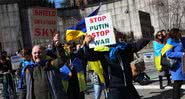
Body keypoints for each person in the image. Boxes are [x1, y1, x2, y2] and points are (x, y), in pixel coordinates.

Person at [83, 33, 151, 99]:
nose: (113, 35)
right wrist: (87, 44)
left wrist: (148, 36)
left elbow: (136, 45)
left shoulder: (123, 47)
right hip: (113, 88)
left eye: (114, 33)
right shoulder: (102, 51)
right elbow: (90, 56)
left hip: (128, 84)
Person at [163, 28, 185, 99]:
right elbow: (168, 54)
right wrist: (181, 54)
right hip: (176, 65)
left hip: (182, 64)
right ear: (174, 33)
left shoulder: (179, 40)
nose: (180, 33)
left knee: (179, 82)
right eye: (178, 32)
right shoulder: (170, 41)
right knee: (177, 83)